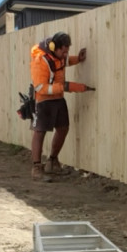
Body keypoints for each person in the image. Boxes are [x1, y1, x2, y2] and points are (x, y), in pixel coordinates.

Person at [30, 31, 93, 179]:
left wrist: (77, 59)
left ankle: (52, 161)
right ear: (54, 47)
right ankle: (36, 168)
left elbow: (64, 62)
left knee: (63, 128)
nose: (65, 54)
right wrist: (63, 87)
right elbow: (39, 87)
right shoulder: (41, 61)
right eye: (63, 51)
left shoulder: (60, 57)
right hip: (43, 100)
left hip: (58, 98)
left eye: (67, 51)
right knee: (40, 132)